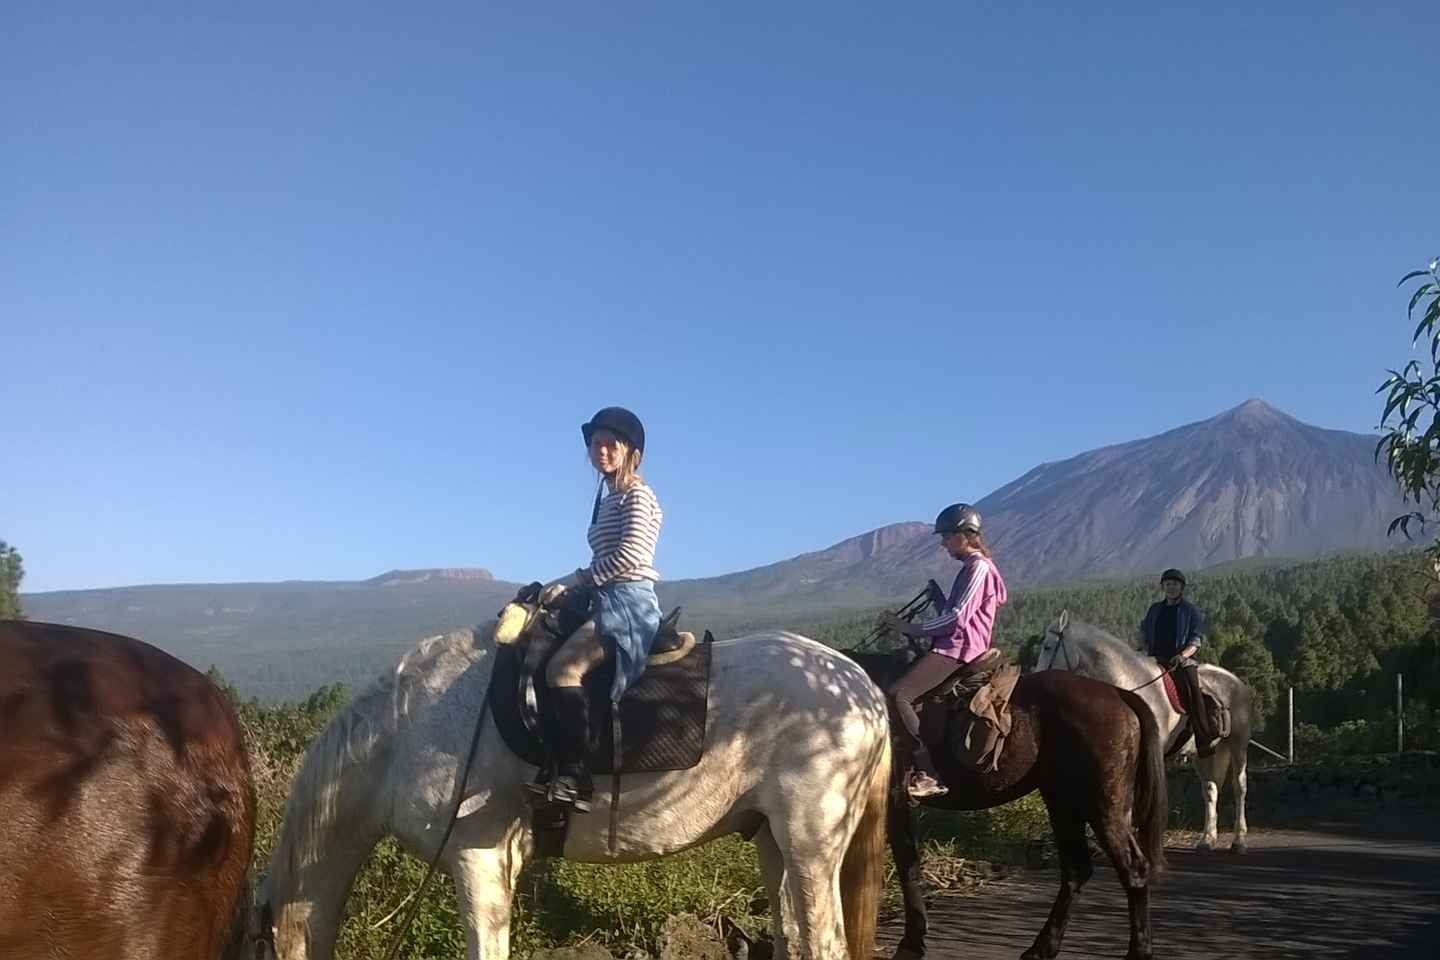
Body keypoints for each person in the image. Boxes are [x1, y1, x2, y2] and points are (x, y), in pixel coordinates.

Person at [531, 406, 664, 810]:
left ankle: (576, 777)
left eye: (610, 444)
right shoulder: (610, 499)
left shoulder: (638, 496)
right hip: (605, 598)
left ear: (629, 451)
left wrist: (575, 581)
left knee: (563, 669)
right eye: (595, 444)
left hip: (629, 605)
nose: (601, 451)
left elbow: (630, 556)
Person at [882, 503, 1008, 800]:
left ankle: (927, 772)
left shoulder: (978, 567)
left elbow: (957, 618)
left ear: (965, 535)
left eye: (947, 537)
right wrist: (938, 597)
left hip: (961, 647)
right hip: (957, 642)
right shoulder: (971, 569)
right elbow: (956, 612)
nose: (943, 543)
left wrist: (910, 628)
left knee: (899, 694)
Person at [1138, 568, 1218, 752]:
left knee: (1192, 691)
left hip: (1181, 660)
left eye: (1174, 584)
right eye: (1167, 584)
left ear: (1181, 587)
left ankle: (1203, 737)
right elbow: (1143, 630)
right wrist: (1141, 647)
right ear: (1162, 587)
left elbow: (1196, 640)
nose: (1171, 587)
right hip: (1154, 657)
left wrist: (1182, 656)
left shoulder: (1190, 611)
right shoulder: (1155, 609)